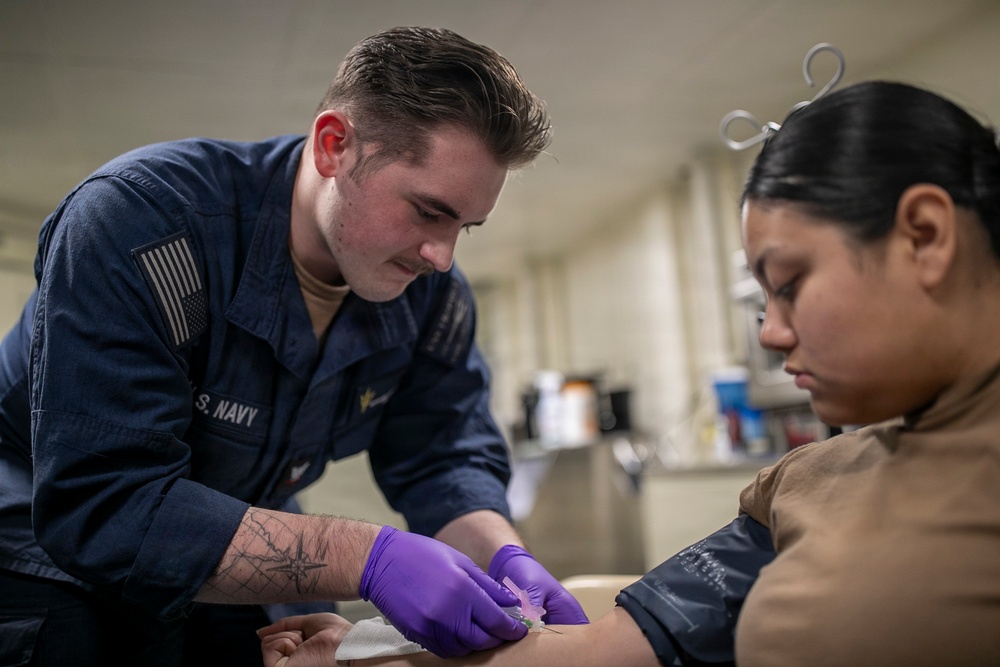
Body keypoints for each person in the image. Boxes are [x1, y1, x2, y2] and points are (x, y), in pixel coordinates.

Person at [257, 79, 1000, 666]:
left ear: (925, 237)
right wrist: (358, 651)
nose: (770, 332)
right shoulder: (810, 477)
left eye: (791, 283)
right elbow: (593, 653)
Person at [0, 26, 589, 667]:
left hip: (233, 536)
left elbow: (442, 456)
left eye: (464, 228)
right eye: (427, 211)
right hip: (44, 548)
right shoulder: (142, 224)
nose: (442, 257)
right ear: (335, 146)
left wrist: (503, 555)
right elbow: (105, 504)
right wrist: (368, 557)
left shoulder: (432, 298)